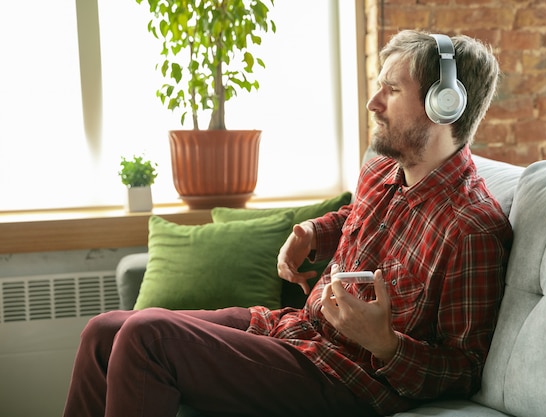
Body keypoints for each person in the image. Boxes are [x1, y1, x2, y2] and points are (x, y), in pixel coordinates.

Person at [62, 30, 513, 417]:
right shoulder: (383, 171)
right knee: (104, 331)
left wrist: (387, 345)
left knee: (148, 336)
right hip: (299, 331)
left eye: (392, 90)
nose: (374, 103)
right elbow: (355, 218)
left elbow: (465, 368)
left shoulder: (472, 228)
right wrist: (314, 232)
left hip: (348, 380)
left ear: (445, 105)